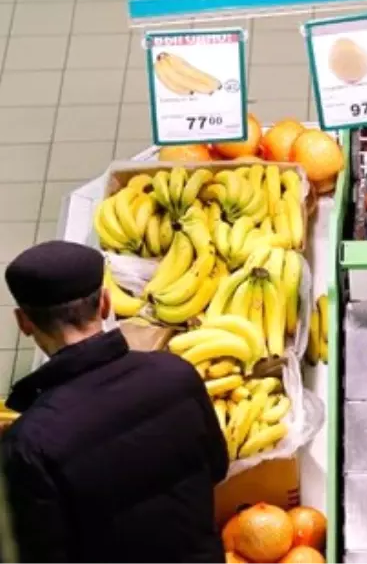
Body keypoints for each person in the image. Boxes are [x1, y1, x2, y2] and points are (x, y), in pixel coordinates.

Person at [1, 241, 227, 564]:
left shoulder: (28, 444)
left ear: (24, 322)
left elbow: (41, 553)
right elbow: (216, 468)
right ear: (106, 303)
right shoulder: (177, 375)